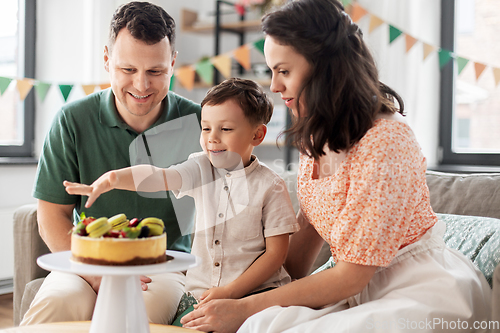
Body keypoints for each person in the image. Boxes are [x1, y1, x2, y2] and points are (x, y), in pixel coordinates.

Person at [179, 1, 492, 332]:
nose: (273, 86)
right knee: (262, 324)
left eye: (283, 71)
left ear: (324, 68)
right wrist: (233, 287)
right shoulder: (316, 135)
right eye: (271, 71)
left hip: (415, 288)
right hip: (351, 286)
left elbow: (351, 276)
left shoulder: (386, 142)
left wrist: (242, 307)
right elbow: (299, 254)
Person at [63, 78, 300, 325]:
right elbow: (159, 176)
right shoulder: (200, 166)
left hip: (257, 297)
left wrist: (230, 293)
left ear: (257, 134)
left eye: (225, 129)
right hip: (201, 296)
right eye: (206, 128)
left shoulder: (270, 186)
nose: (212, 138)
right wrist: (113, 178)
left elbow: (275, 255)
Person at [21, 1, 201, 326]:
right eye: (128, 70)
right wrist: (93, 274)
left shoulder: (202, 122)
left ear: (173, 63)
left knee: (135, 317)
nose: (142, 86)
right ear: (107, 60)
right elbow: (52, 212)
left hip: (162, 265)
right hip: (87, 261)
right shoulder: (72, 120)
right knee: (55, 305)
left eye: (155, 71)